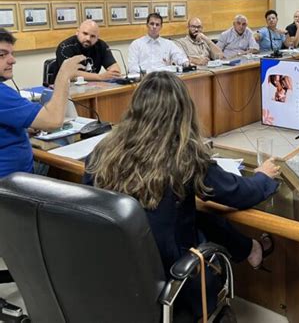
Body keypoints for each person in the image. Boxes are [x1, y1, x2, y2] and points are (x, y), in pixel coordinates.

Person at [85, 72, 280, 319]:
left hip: (113, 269)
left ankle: (250, 249)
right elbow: (239, 193)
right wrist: (263, 176)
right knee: (199, 217)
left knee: (195, 214)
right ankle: (251, 250)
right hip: (172, 276)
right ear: (183, 111)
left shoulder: (102, 152)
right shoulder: (182, 156)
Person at [0, 28, 84, 178]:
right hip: (12, 186)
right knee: (78, 168)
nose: (12, 60)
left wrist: (26, 129)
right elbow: (53, 120)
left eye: (12, 54)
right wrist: (63, 75)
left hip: (16, 174)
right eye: (2, 55)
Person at [56, 20, 121, 82]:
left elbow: (114, 69)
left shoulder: (101, 46)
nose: (88, 38)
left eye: (93, 36)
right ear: (77, 32)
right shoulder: (65, 47)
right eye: (85, 33)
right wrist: (100, 77)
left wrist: (113, 74)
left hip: (92, 87)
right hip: (64, 88)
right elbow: (70, 74)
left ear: (97, 38)